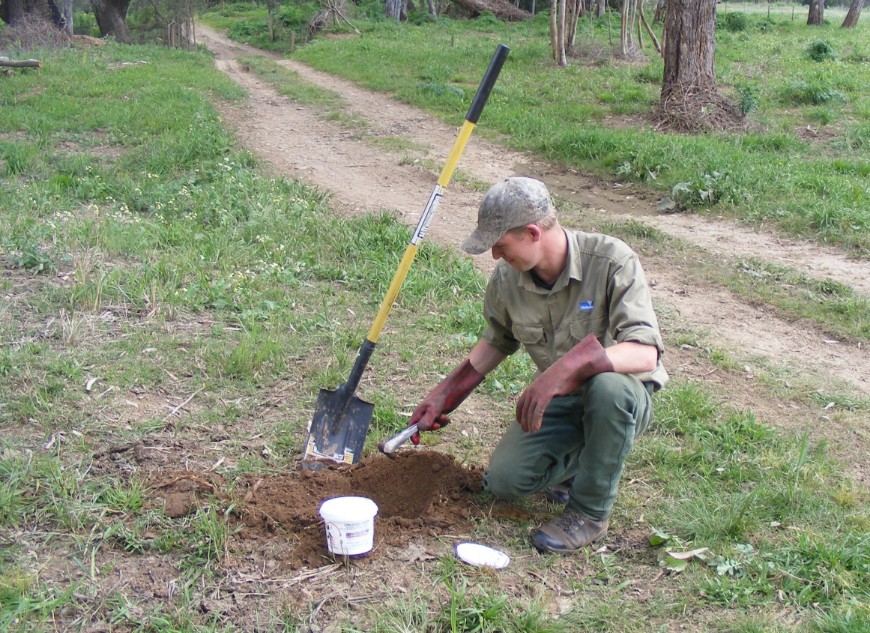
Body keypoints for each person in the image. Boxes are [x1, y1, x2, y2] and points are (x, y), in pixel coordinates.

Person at [408, 177, 668, 554]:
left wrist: (568, 369)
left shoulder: (612, 260)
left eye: (500, 245)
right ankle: (580, 462)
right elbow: (497, 341)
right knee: (505, 482)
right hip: (562, 399)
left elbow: (645, 353)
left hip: (621, 397)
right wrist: (445, 395)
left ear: (532, 233)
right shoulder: (508, 279)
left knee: (607, 389)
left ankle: (589, 512)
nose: (496, 256)